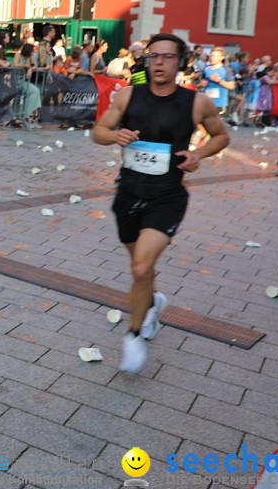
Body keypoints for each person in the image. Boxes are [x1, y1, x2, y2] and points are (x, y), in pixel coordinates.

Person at [93, 33, 229, 373]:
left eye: (167, 57)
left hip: (167, 196)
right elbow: (98, 131)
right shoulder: (127, 96)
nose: (159, 62)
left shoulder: (196, 102)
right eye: (154, 56)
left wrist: (198, 154)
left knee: (140, 268)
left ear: (180, 62)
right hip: (128, 194)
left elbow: (223, 135)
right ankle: (152, 303)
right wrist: (115, 136)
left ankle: (134, 336)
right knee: (142, 268)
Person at [202, 47, 236, 119]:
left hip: (219, 103)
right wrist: (201, 84)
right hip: (206, 102)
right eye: (212, 55)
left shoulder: (225, 69)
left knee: (214, 127)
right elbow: (202, 82)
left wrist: (219, 81)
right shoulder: (206, 68)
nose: (213, 58)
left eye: (216, 56)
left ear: (222, 58)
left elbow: (232, 86)